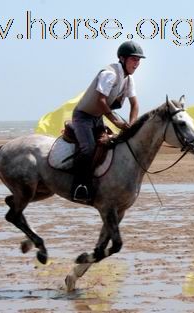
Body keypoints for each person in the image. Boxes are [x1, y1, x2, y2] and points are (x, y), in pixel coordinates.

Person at [71, 40, 144, 203]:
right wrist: (116, 123)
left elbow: (135, 104)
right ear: (122, 58)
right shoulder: (109, 74)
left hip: (97, 118)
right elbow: (100, 101)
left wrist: (131, 125)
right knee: (88, 149)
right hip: (83, 117)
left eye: (138, 60)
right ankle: (79, 186)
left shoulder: (128, 79)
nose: (137, 63)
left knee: (110, 146)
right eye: (134, 59)